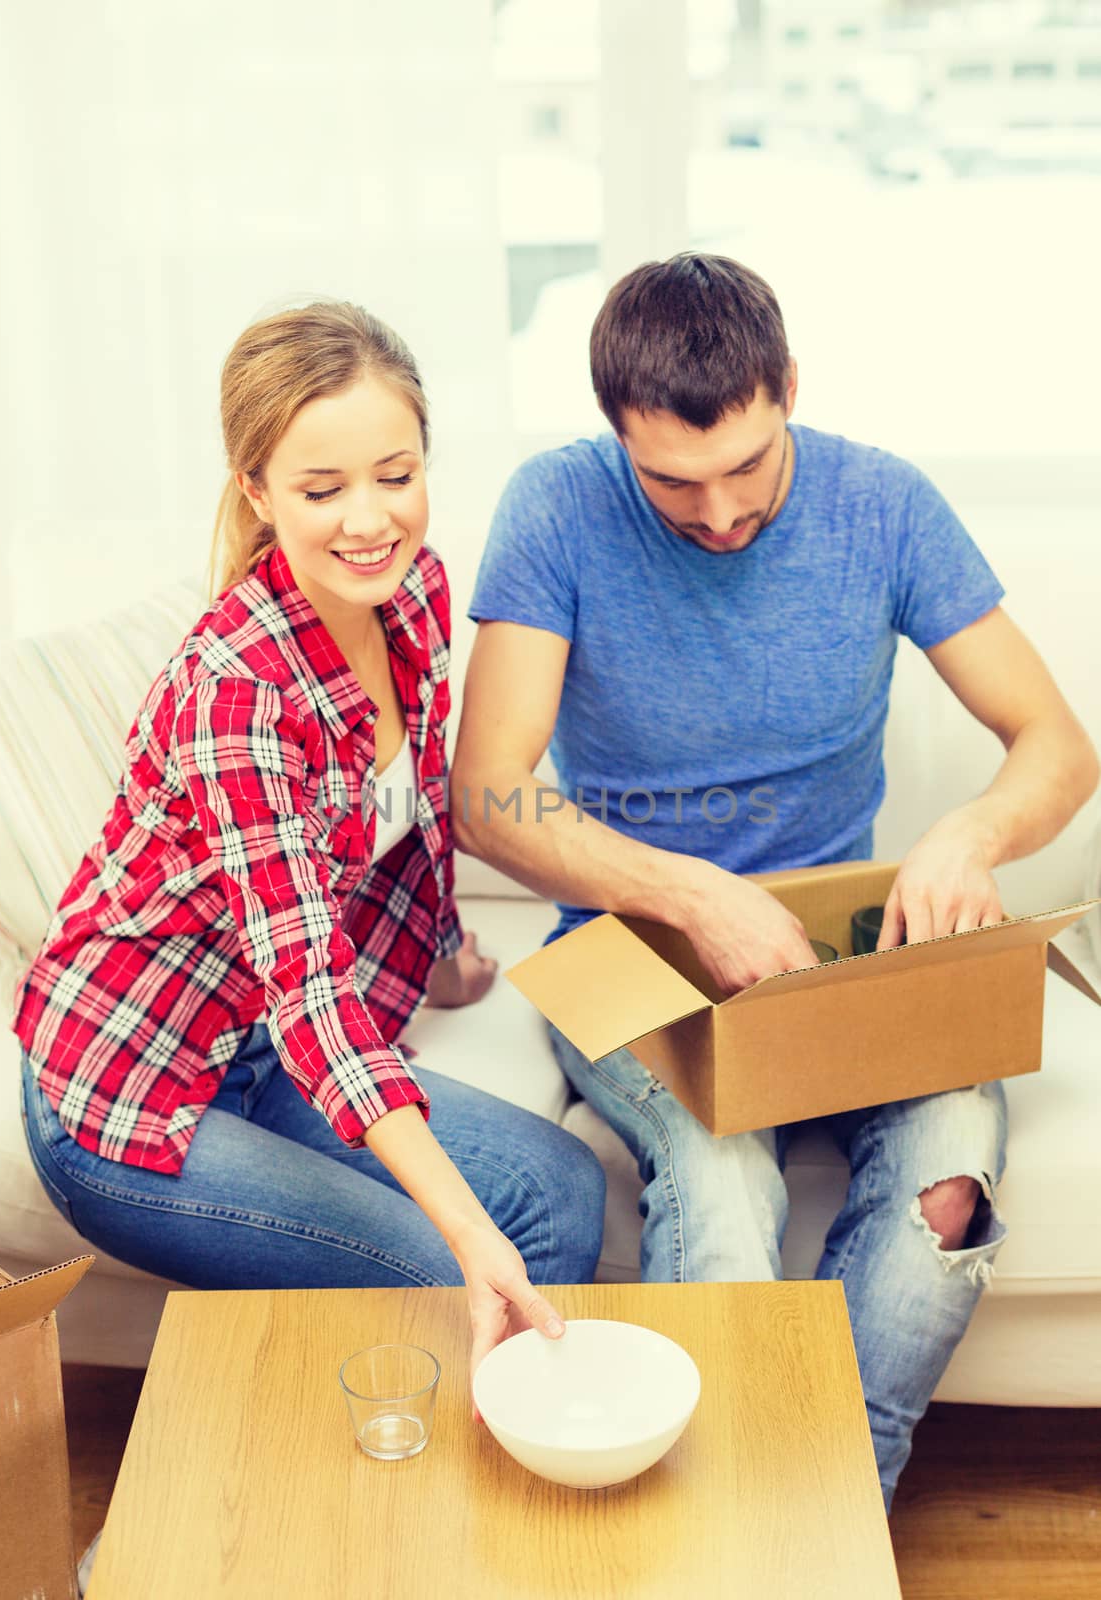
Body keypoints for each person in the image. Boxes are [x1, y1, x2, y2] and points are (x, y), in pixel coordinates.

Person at [451, 253, 1099, 1505]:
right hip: (633, 955)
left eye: (746, 465)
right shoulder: (555, 508)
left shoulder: (883, 506)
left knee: (955, 1161)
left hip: (846, 956)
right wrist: (692, 894)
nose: (719, 515)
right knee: (721, 1178)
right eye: (673, 482)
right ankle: (729, 1532)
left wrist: (966, 836)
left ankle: (820, 1522)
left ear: (787, 386)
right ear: (614, 434)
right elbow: (487, 791)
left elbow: (1059, 748)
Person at [14, 300, 605, 1378]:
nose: (369, 520)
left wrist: (443, 959)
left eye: (396, 474)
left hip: (264, 1046)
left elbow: (415, 812)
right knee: (447, 1271)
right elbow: (311, 993)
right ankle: (356, 1520)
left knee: (562, 1191)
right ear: (256, 491)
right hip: (134, 1084)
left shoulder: (413, 593)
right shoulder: (235, 690)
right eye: (321, 490)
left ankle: (491, 1476)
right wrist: (469, 1235)